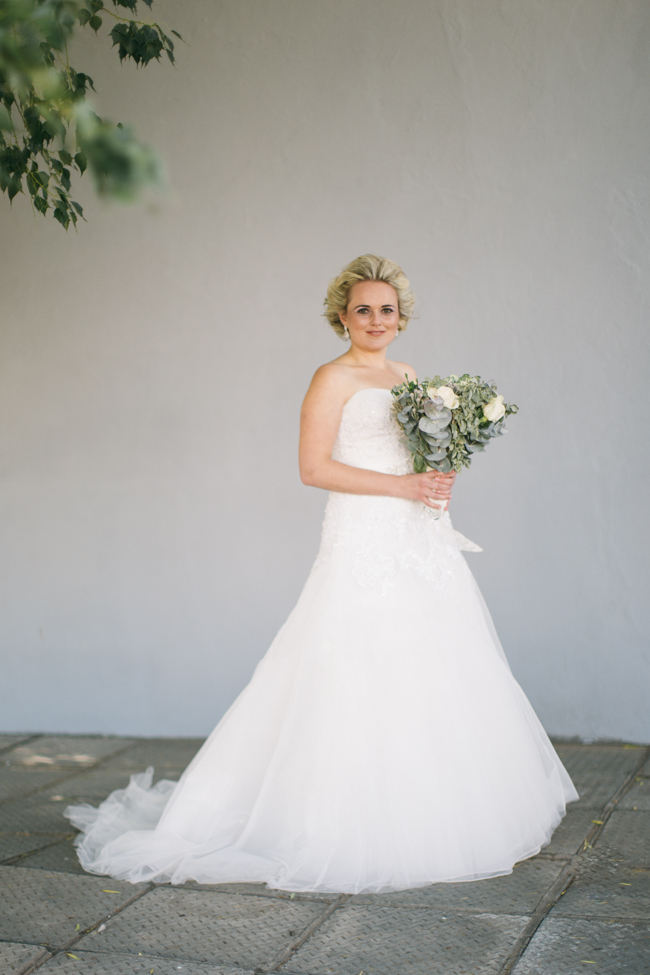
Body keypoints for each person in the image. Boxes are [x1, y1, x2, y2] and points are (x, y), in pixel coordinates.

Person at [65, 254, 579, 894]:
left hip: (416, 533)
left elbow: (415, 454)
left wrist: (434, 483)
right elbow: (313, 469)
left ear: (401, 318)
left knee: (433, 656)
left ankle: (431, 810)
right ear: (342, 317)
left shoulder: (411, 375)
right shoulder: (329, 378)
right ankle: (326, 818)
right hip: (363, 532)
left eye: (386, 309)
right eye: (362, 309)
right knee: (350, 655)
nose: (375, 319)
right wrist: (403, 485)